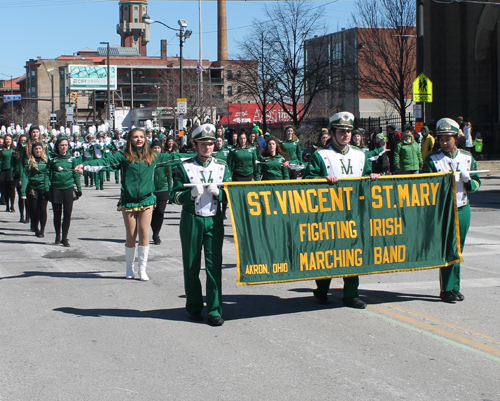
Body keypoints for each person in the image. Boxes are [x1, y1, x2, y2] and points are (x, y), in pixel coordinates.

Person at [76, 128, 174, 280]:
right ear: (130, 139)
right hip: (128, 201)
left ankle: (143, 269)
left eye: (141, 136)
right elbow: (105, 162)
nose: (139, 139)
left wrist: (199, 155)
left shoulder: (152, 155)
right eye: (135, 137)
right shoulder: (123, 155)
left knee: (144, 233)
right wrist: (85, 165)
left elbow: (174, 157)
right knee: (131, 234)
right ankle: (129, 267)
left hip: (147, 199)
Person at [304, 111, 380, 309]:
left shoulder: (360, 155)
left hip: (353, 213)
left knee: (353, 253)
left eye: (348, 131)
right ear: (332, 132)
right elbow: (307, 182)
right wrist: (323, 180)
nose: (346, 135)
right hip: (328, 214)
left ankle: (351, 295)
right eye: (341, 131)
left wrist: (372, 178)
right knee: (328, 254)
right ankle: (321, 290)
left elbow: (367, 176)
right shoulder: (321, 156)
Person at [170, 123, 232, 326]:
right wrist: (190, 194)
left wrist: (220, 193)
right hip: (192, 220)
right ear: (195, 144)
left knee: (214, 267)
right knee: (191, 265)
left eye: (211, 143)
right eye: (203, 144)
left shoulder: (222, 166)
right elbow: (174, 196)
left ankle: (215, 309)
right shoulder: (184, 166)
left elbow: (233, 196)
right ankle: (194, 306)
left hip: (214, 220)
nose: (208, 147)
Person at [423, 118, 480, 303]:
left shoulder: (467, 158)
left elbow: (476, 184)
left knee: (459, 249)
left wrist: (467, 180)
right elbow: (425, 188)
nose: (444, 142)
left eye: (448, 138)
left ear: (456, 138)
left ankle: (455, 287)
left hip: (463, 207)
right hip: (444, 210)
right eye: (441, 139)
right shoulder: (432, 159)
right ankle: (446, 289)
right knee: (449, 248)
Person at [48, 136, 82, 247]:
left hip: (68, 188)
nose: (64, 147)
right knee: (57, 214)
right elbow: (48, 174)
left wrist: (79, 188)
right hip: (56, 189)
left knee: (67, 214)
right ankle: (57, 236)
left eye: (66, 145)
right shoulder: (53, 159)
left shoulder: (72, 159)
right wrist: (47, 189)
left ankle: (64, 238)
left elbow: (76, 174)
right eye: (61, 145)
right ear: (57, 146)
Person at [24, 142, 50, 238]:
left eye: (39, 148)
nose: (38, 150)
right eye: (36, 149)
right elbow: (25, 174)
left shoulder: (46, 160)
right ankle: (35, 225)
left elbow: (49, 173)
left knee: (43, 209)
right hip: (33, 186)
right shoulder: (29, 160)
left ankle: (42, 229)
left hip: (43, 187)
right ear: (33, 150)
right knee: (33, 209)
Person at [150, 140, 174, 245]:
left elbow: (169, 177)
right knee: (151, 214)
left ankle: (156, 234)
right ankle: (154, 232)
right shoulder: (149, 160)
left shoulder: (165, 160)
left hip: (163, 190)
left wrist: (170, 190)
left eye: (158, 148)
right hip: (152, 191)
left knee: (160, 212)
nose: (157, 150)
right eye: (155, 148)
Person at [0, 134, 16, 212]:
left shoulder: (14, 150)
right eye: (6, 139)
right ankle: (7, 206)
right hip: (3, 171)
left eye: (9, 139)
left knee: (12, 189)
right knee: (5, 189)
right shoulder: (2, 150)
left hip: (11, 170)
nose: (8, 141)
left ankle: (12, 205)